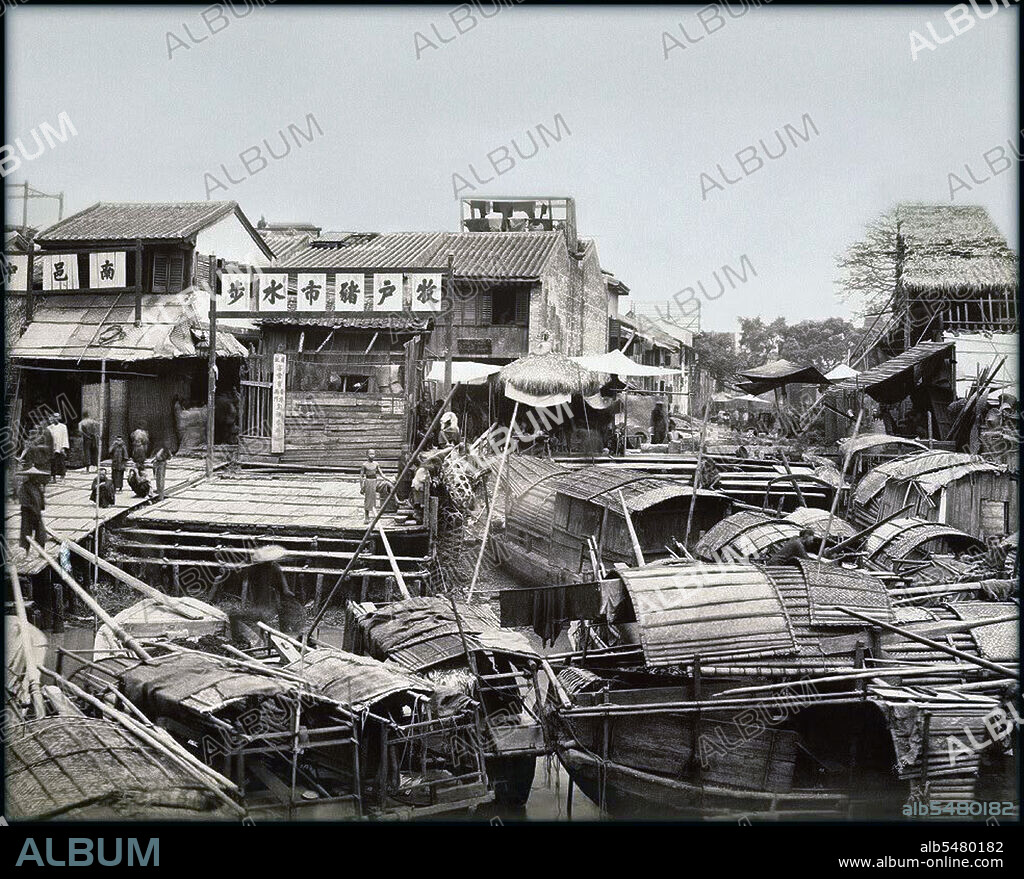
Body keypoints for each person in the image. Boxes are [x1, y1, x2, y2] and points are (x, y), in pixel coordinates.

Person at [18, 464, 47, 553]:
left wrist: (40, 508)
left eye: (36, 476)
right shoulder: (24, 486)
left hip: (36, 511)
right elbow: (24, 501)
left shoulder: (38, 486)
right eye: (33, 476)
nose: (35, 477)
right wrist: (33, 510)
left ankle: (41, 551)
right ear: (30, 476)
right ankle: (26, 550)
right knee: (26, 531)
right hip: (27, 512)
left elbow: (41, 499)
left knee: (41, 532)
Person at [360, 450, 382, 522]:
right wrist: (361, 487)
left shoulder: (376, 464)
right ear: (367, 455)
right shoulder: (364, 465)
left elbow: (381, 474)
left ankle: (375, 515)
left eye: (373, 454)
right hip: (368, 482)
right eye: (370, 454)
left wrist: (388, 479)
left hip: (375, 481)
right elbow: (361, 476)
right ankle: (366, 516)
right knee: (368, 499)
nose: (372, 455)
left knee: (374, 498)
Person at [48, 414, 69, 480]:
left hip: (60, 446)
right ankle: (53, 477)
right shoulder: (49, 427)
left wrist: (64, 447)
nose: (55, 419)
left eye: (57, 418)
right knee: (53, 462)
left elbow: (65, 437)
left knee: (61, 461)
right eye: (54, 418)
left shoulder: (63, 427)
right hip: (53, 447)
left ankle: (62, 476)